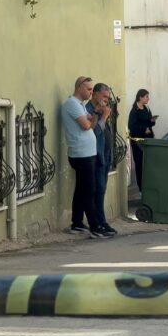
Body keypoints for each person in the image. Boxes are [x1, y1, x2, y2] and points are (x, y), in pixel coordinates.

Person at [61, 76, 112, 239]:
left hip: (87, 153)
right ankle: (95, 226)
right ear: (79, 88)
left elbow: (92, 122)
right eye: (89, 89)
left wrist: (96, 113)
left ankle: (76, 222)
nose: (91, 92)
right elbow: (86, 125)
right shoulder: (72, 104)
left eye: (91, 89)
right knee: (89, 190)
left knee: (82, 189)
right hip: (80, 153)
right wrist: (97, 116)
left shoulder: (81, 106)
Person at [85, 83, 118, 236]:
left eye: (108, 98)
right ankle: (99, 223)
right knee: (97, 190)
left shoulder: (102, 109)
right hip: (96, 155)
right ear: (95, 94)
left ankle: (102, 221)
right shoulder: (88, 110)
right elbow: (95, 132)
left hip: (105, 155)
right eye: (104, 96)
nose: (106, 100)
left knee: (101, 190)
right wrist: (103, 116)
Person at [128, 89, 156, 190]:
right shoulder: (134, 110)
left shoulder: (146, 108)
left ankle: (149, 186)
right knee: (140, 164)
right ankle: (141, 188)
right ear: (140, 97)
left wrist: (152, 121)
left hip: (148, 140)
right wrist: (144, 129)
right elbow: (131, 126)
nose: (148, 98)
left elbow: (149, 123)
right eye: (146, 96)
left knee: (149, 164)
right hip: (138, 142)